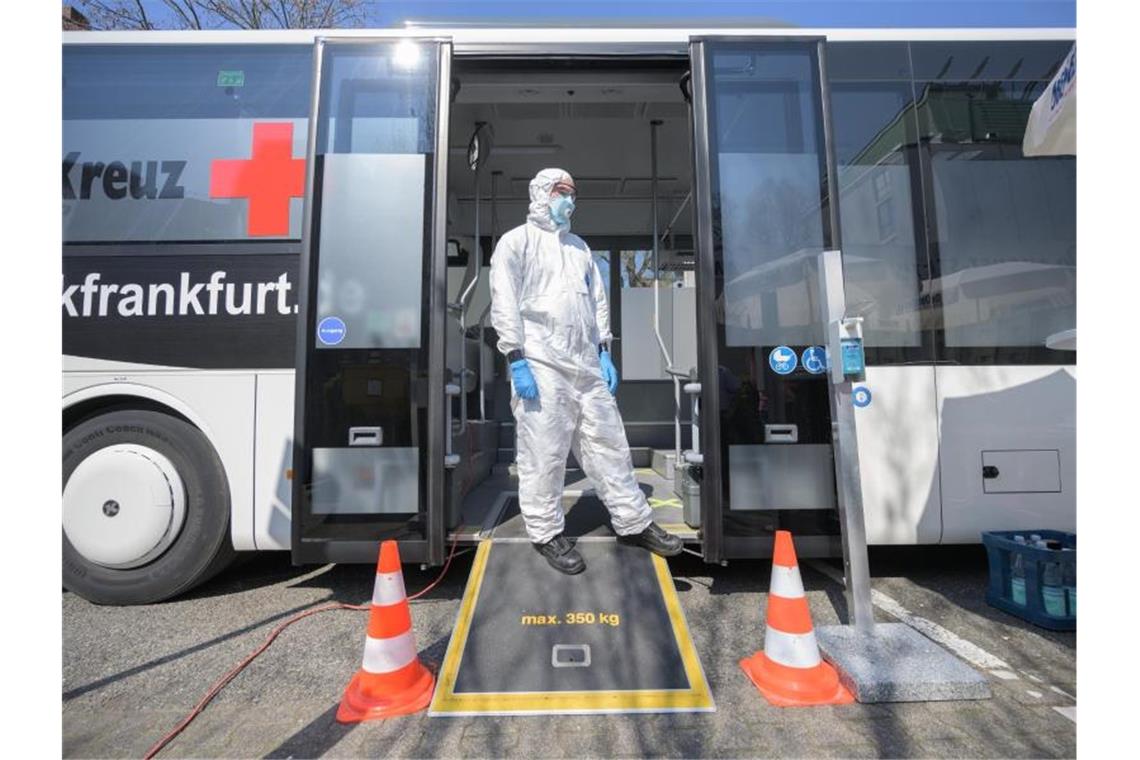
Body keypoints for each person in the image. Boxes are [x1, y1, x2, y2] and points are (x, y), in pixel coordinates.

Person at [489, 168, 683, 574]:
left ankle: (634, 522)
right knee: (545, 453)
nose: (570, 201)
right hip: (540, 365)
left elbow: (597, 303)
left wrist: (604, 350)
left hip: (586, 366)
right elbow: (504, 302)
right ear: (541, 193)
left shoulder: (580, 248)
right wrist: (515, 357)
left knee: (610, 445)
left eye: (574, 194)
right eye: (562, 192)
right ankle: (545, 533)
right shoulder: (516, 243)